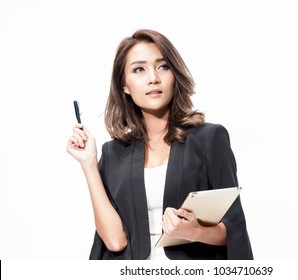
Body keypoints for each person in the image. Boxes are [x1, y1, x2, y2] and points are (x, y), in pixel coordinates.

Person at [66, 29, 253, 260]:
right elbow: (114, 242)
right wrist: (89, 165)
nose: (153, 78)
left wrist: (195, 231)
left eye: (163, 66)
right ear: (125, 85)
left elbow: (234, 231)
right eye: (139, 69)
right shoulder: (113, 153)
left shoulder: (209, 139)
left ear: (175, 74)